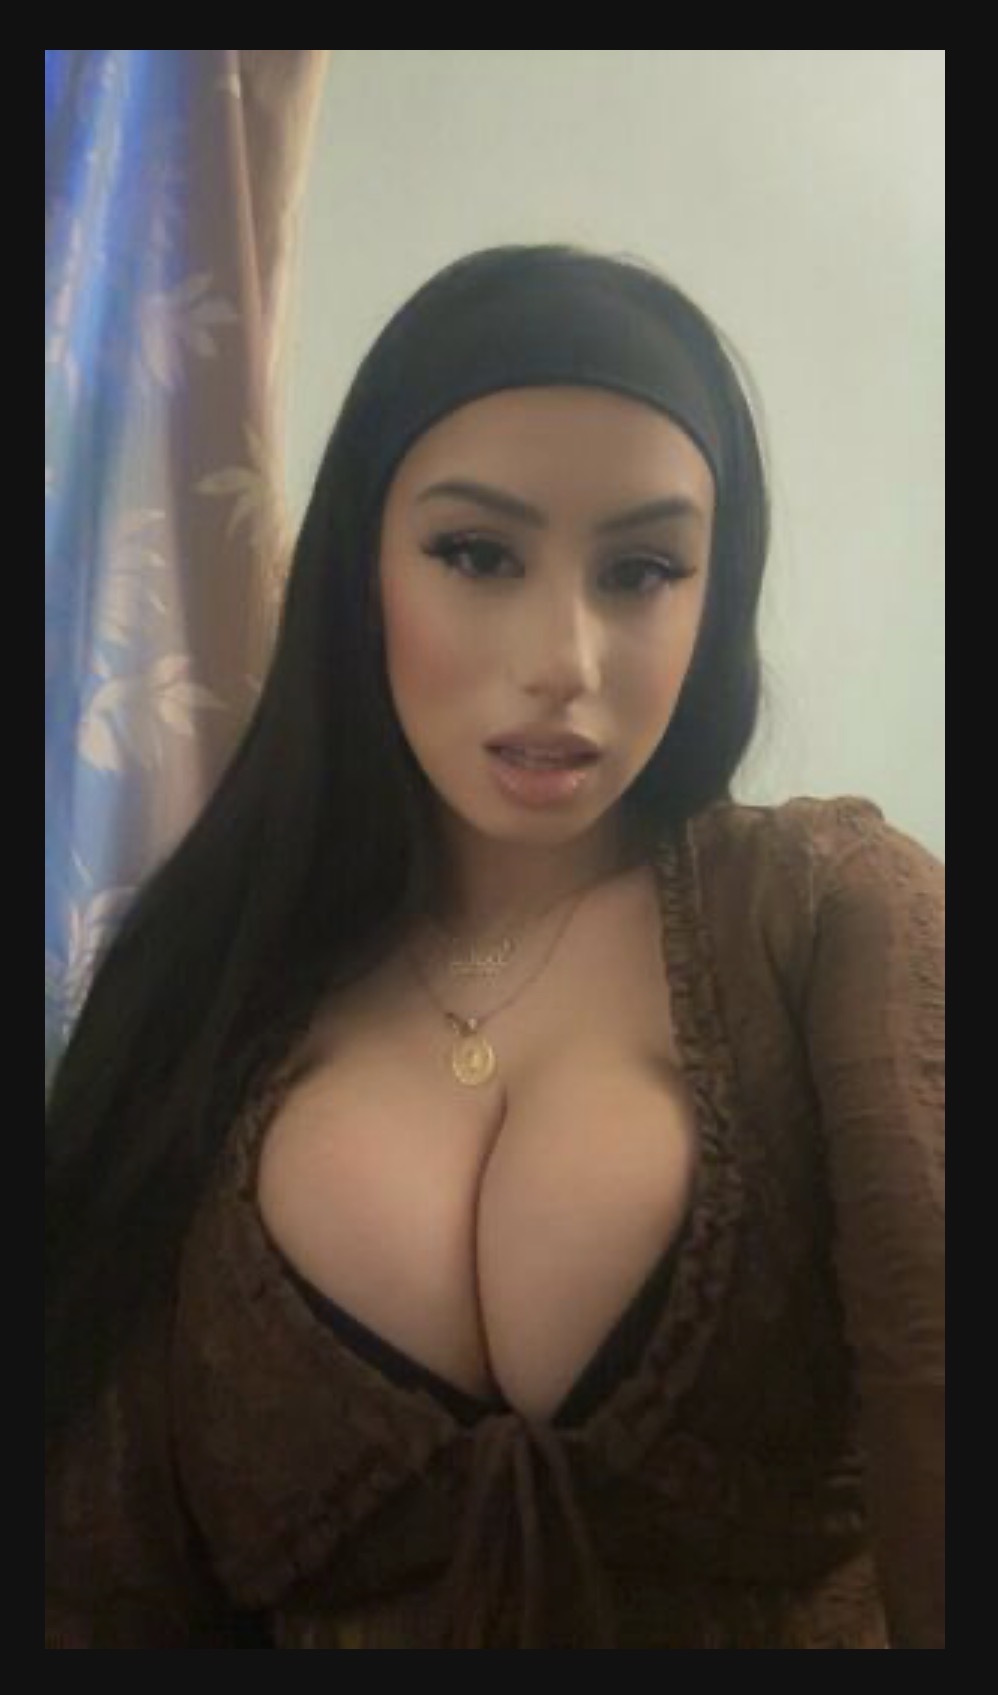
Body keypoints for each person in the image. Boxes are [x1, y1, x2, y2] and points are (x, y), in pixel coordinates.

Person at [45, 242, 944, 1649]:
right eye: (476, 554)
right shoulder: (208, 989)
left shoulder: (833, 915)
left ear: (714, 596)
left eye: (641, 570)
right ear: (361, 570)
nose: (563, 660)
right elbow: (91, 1586)